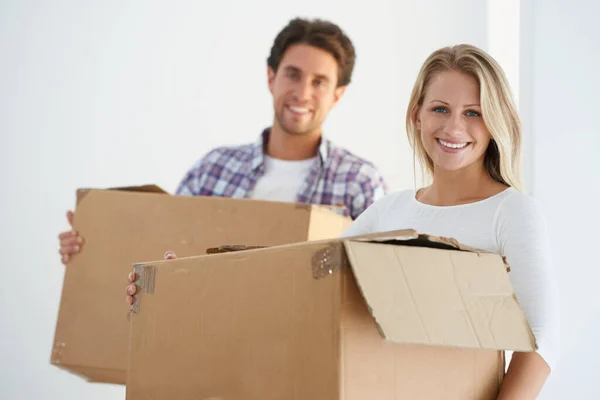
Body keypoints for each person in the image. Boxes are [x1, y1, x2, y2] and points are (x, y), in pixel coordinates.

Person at [126, 43, 560, 398]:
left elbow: (541, 338)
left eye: (474, 112)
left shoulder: (512, 211)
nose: (453, 127)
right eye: (440, 109)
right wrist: (182, 285)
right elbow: (300, 285)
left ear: (495, 121)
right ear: (417, 115)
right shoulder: (391, 211)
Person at [58, 18, 387, 264]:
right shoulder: (213, 169)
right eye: (293, 75)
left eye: (319, 82)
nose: (302, 93)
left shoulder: (359, 183)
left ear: (337, 96)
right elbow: (160, 253)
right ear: (271, 77)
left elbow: (379, 281)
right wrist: (93, 248)